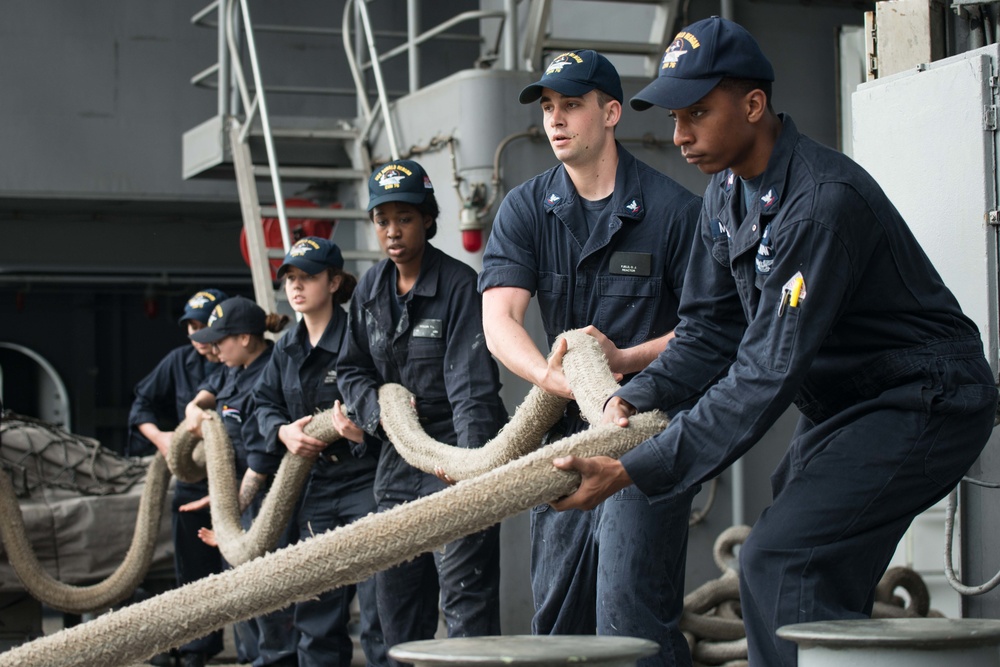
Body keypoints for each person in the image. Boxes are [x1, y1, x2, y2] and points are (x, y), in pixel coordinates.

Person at [551, 17, 1000, 667]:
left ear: (753, 104)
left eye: (697, 113)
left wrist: (631, 467)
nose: (679, 136)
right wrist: (631, 398)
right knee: (803, 570)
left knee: (781, 559)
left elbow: (764, 372)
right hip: (845, 404)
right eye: (674, 117)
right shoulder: (726, 196)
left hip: (922, 399)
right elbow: (708, 333)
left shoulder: (819, 202)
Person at [478, 50, 702, 666]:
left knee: (629, 615)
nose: (555, 119)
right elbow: (500, 319)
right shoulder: (527, 209)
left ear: (611, 112)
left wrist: (625, 358)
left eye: (571, 105)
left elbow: (708, 331)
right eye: (548, 107)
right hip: (562, 437)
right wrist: (560, 381)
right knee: (559, 619)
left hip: (640, 437)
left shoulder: (675, 213)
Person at [337, 160, 508, 662]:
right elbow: (352, 370)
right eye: (382, 219)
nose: (393, 231)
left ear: (428, 220)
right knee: (396, 609)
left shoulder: (458, 286)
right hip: (397, 465)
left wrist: (471, 474)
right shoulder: (369, 290)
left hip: (457, 457)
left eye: (405, 218)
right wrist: (376, 411)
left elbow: (473, 392)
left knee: (465, 607)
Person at [251, 237, 386, 667]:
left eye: (307, 277)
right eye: (290, 278)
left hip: (363, 482)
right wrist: (282, 432)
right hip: (313, 489)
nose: (296, 286)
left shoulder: (359, 336)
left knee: (378, 609)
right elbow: (263, 404)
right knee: (315, 613)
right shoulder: (286, 348)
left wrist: (362, 433)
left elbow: (392, 401)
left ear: (334, 281)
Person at [183, 295, 297, 667]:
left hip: (267, 497)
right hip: (235, 497)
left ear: (246, 338)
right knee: (239, 587)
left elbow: (263, 460)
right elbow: (213, 387)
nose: (214, 348)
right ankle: (251, 658)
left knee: (265, 584)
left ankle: (275, 660)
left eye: (222, 339)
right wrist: (195, 410)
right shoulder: (234, 367)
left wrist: (229, 512)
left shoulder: (269, 372)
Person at [127, 288, 228, 667]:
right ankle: (195, 647)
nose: (196, 335)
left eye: (203, 326)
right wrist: (164, 439)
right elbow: (142, 405)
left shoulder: (239, 360)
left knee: (242, 569)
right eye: (191, 326)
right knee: (193, 570)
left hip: (237, 485)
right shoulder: (178, 361)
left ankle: (256, 649)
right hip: (191, 484)